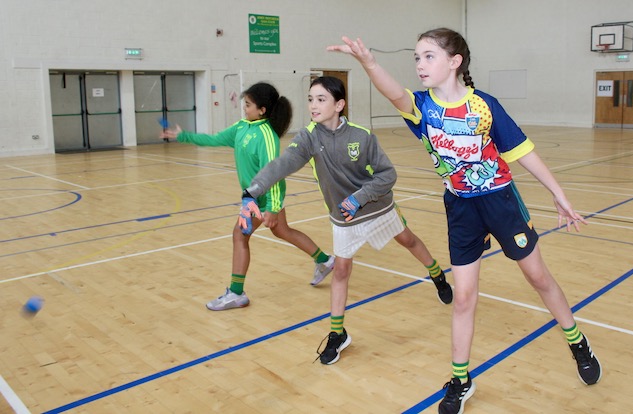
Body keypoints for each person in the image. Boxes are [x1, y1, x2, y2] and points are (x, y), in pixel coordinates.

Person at [327, 29, 601, 413]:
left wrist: (559, 194)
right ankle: (461, 378)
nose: (420, 65)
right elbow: (392, 91)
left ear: (454, 62)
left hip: (501, 202)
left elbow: (524, 152)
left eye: (428, 57)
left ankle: (577, 342)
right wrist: (369, 62)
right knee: (464, 297)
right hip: (460, 208)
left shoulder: (485, 106)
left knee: (538, 278)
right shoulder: (421, 107)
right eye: (417, 58)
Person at [238, 76, 453, 365]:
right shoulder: (308, 137)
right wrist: (251, 191)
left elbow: (387, 175)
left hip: (376, 207)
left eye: (321, 99)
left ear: (339, 105)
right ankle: (338, 334)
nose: (313, 105)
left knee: (408, 240)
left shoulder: (362, 136)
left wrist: (359, 197)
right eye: (311, 99)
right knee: (341, 271)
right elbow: (280, 165)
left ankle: (437, 274)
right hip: (343, 217)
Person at [160, 82, 335, 311]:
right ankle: (324, 260)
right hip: (254, 196)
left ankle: (236, 293)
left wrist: (272, 207)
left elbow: (274, 172)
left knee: (239, 235)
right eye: (245, 103)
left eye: (249, 104)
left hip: (262, 197)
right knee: (282, 231)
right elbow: (214, 140)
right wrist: (183, 136)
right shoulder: (242, 127)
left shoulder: (266, 136)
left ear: (262, 109)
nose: (245, 108)